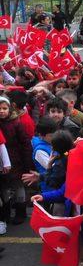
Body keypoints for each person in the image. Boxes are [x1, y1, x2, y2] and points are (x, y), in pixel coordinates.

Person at [0, 96, 32, 231]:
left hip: (16, 160)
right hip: (1, 161)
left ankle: (20, 212)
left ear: (9, 109)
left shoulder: (16, 123)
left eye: (4, 108)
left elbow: (25, 143)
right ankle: (6, 212)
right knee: (3, 188)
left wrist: (27, 163)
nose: (1, 111)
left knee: (18, 186)